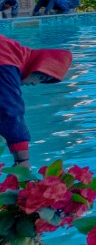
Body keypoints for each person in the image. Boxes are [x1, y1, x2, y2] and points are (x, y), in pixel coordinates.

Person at [0, 35, 72, 168]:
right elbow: (10, 111)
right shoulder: (7, 61)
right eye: (40, 77)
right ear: (37, 65)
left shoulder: (13, 50)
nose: (34, 83)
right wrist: (23, 161)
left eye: (42, 81)